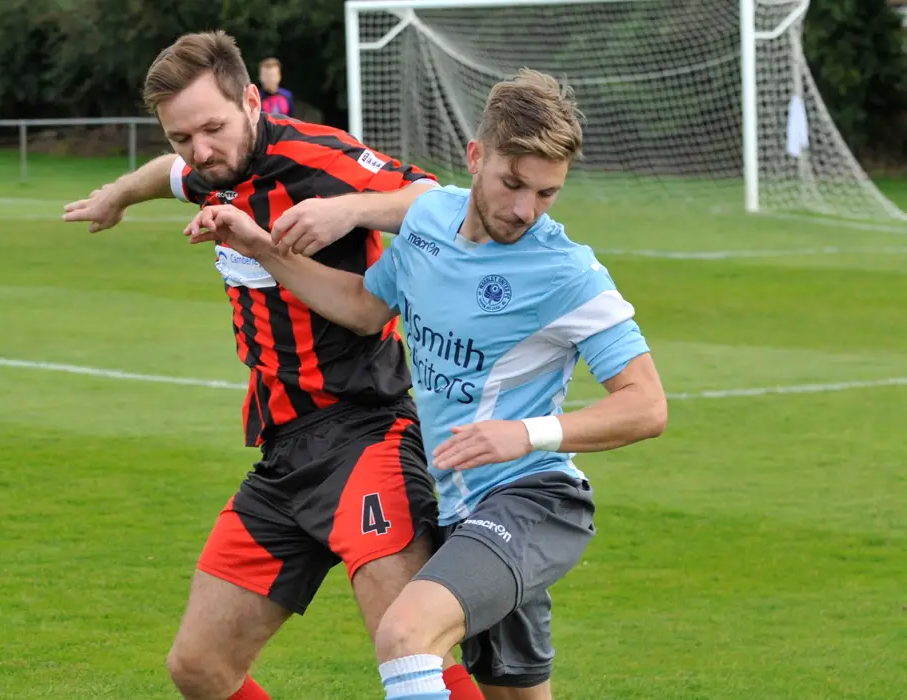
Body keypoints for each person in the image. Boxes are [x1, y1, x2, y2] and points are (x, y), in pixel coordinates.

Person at [181, 68, 668, 700]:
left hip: (534, 500)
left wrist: (525, 434)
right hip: (461, 511)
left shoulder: (566, 271)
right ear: (475, 157)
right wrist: (260, 247)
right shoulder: (429, 222)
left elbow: (647, 405)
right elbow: (362, 307)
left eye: (546, 194)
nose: (525, 209)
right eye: (512, 183)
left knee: (405, 635)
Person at [61, 31, 484, 700]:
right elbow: (166, 175)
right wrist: (116, 195)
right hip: (283, 454)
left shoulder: (317, 158)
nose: (200, 150)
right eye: (181, 137)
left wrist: (349, 208)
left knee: (411, 651)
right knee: (198, 666)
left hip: (365, 433)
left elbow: (444, 205)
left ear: (252, 100)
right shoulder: (209, 169)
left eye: (212, 128)